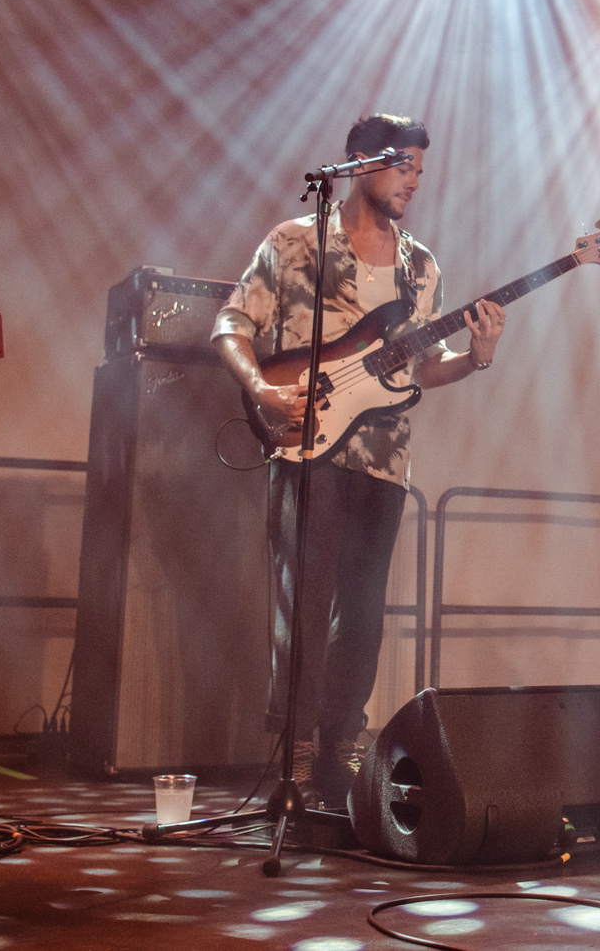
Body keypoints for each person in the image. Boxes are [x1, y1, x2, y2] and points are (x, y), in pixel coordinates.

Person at [212, 113, 504, 804]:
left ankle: (343, 751)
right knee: (304, 607)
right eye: (404, 166)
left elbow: (423, 369)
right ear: (359, 163)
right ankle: (297, 760)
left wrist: (477, 359)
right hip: (306, 446)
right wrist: (259, 388)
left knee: (363, 617)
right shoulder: (295, 242)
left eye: (421, 173)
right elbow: (231, 323)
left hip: (384, 461)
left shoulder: (420, 266)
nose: (414, 182)